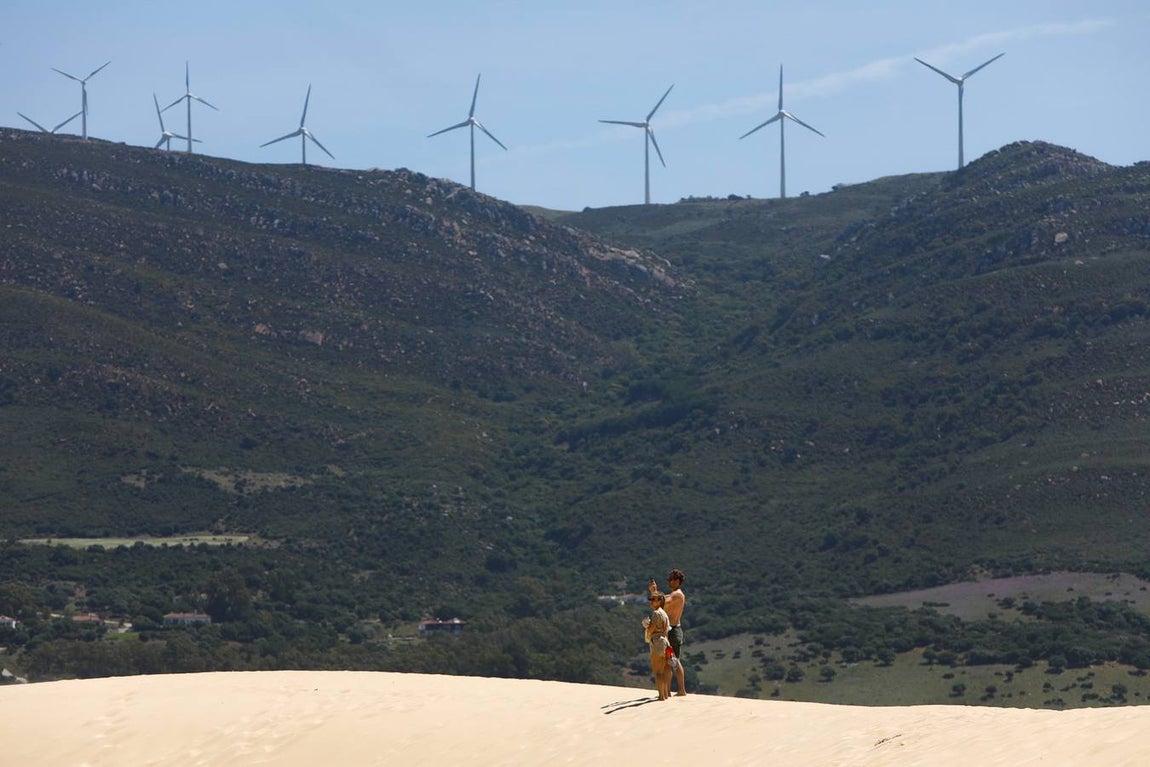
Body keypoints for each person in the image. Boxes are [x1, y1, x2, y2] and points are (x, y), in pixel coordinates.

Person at [648, 568, 687, 695]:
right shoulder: (674, 594)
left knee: (673, 660)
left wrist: (654, 591)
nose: (669, 582)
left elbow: (663, 602)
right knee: (669, 662)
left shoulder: (677, 595)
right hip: (671, 630)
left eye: (671, 579)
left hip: (673, 631)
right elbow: (661, 600)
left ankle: (681, 690)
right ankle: (668, 691)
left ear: (677, 580)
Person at [643, 591, 672, 700]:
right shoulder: (664, 613)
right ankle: (664, 694)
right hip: (665, 641)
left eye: (653, 599)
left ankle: (661, 696)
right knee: (663, 671)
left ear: (659, 601)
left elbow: (652, 629)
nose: (651, 602)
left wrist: (647, 626)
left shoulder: (656, 613)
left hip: (657, 642)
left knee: (658, 672)